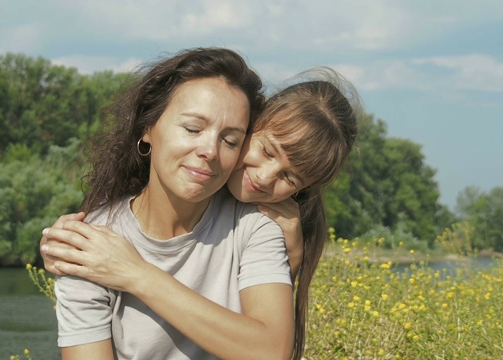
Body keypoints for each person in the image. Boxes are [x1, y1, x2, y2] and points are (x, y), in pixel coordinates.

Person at [41, 59, 360, 359]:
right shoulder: (95, 244)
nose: (264, 177)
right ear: (147, 127)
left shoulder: (261, 225)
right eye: (193, 129)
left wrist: (134, 273)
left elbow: (270, 349)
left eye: (229, 139)